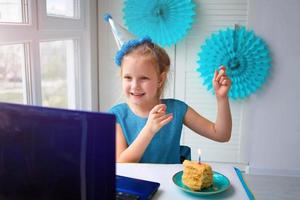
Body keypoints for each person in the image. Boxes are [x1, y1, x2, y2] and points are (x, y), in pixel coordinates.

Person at [109, 36, 232, 164]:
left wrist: (222, 98)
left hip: (170, 183)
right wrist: (149, 130)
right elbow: (121, 164)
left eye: (143, 78)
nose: (134, 85)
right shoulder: (116, 116)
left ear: (160, 79)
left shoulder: (177, 109)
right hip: (135, 183)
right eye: (128, 77)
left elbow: (221, 134)